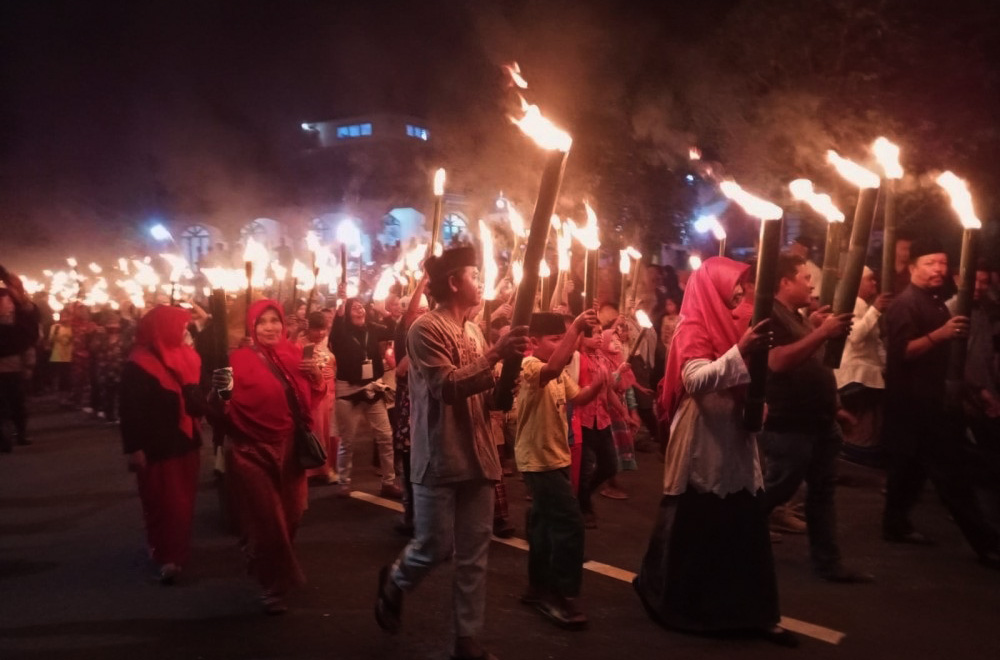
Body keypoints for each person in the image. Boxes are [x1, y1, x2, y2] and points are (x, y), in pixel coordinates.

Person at [374, 246, 529, 660]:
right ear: (454, 282)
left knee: (475, 554)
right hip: (441, 455)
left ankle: (467, 640)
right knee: (434, 546)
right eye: (475, 274)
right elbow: (446, 387)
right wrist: (497, 354)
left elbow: (485, 392)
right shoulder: (424, 330)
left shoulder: (475, 332)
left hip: (478, 453)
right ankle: (395, 579)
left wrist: (505, 379)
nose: (482, 281)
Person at [634, 257, 791, 643]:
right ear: (713, 288)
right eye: (734, 286)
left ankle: (753, 613)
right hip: (704, 434)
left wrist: (755, 397)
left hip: (733, 434)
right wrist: (739, 351)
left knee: (742, 520)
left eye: (742, 286)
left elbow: (746, 375)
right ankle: (683, 606)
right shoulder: (692, 327)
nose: (740, 293)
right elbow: (696, 378)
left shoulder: (733, 323)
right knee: (698, 517)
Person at [882, 239, 1000, 567]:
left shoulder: (935, 303)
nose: (938, 270)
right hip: (914, 404)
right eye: (930, 263)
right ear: (912, 267)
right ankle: (987, 544)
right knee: (952, 476)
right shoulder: (906, 304)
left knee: (910, 471)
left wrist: (973, 390)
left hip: (932, 401)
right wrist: (941, 334)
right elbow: (902, 353)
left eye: (942, 264)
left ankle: (894, 524)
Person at [757, 253, 873, 583]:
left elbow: (813, 365)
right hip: (789, 423)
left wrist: (834, 407)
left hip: (819, 421)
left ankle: (828, 563)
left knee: (822, 493)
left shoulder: (797, 316)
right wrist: (822, 333)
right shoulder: (769, 316)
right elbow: (778, 362)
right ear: (784, 282)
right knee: (777, 489)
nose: (811, 283)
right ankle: (730, 538)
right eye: (805, 278)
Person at [212, 300, 327, 613]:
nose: (270, 327)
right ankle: (274, 584)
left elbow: (310, 400)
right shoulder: (235, 359)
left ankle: (263, 557)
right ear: (252, 326)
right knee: (268, 519)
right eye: (262, 322)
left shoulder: (294, 353)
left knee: (291, 514)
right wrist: (220, 397)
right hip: (250, 449)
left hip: (290, 447)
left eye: (275, 320)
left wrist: (315, 376)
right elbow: (218, 408)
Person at [514, 310, 603, 629]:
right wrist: (577, 328)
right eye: (556, 339)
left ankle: (538, 587)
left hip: (556, 457)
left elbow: (579, 396)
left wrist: (607, 380)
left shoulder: (559, 373)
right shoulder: (531, 366)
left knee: (542, 526)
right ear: (534, 342)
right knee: (570, 523)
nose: (563, 345)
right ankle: (561, 594)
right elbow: (552, 367)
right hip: (538, 460)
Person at [120, 305, 205, 584]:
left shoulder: (187, 356)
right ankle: (166, 554)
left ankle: (176, 551)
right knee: (162, 502)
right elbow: (130, 411)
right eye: (179, 326)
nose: (184, 331)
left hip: (186, 441)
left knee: (182, 502)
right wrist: (134, 448)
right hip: (157, 447)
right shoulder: (139, 364)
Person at [330, 297, 400, 498]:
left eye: (362, 306)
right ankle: (344, 481)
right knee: (348, 441)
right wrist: (341, 306)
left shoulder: (372, 328)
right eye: (355, 307)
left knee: (386, 436)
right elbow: (335, 329)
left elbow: (393, 329)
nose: (360, 310)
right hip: (348, 390)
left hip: (372, 388)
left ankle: (388, 481)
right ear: (347, 313)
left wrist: (385, 312)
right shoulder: (341, 333)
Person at [835, 267, 891, 466]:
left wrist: (886, 366)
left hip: (870, 374)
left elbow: (875, 344)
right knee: (861, 425)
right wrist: (875, 309)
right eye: (870, 280)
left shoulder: (863, 305)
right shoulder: (851, 303)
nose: (874, 284)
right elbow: (856, 336)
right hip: (856, 375)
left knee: (869, 423)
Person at [0, 272, 40, 452]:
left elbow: (28, 335)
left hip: (13, 367)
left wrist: (28, 366)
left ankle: (20, 432)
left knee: (17, 403)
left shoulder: (19, 313)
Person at [300, 311, 338, 485]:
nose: (321, 333)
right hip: (313, 393)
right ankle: (314, 469)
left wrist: (332, 372)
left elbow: (333, 363)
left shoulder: (324, 343)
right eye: (317, 330)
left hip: (329, 391)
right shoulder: (301, 345)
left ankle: (327, 466)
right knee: (317, 429)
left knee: (329, 430)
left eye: (323, 329)